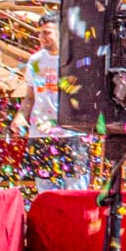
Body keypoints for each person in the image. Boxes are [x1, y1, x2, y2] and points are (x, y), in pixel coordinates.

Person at [21, 23, 90, 193]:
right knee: (44, 189)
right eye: (39, 33)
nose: (42, 37)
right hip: (40, 134)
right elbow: (30, 95)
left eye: (47, 32)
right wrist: (21, 115)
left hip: (70, 134)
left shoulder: (74, 59)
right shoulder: (35, 60)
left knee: (75, 189)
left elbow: (83, 97)